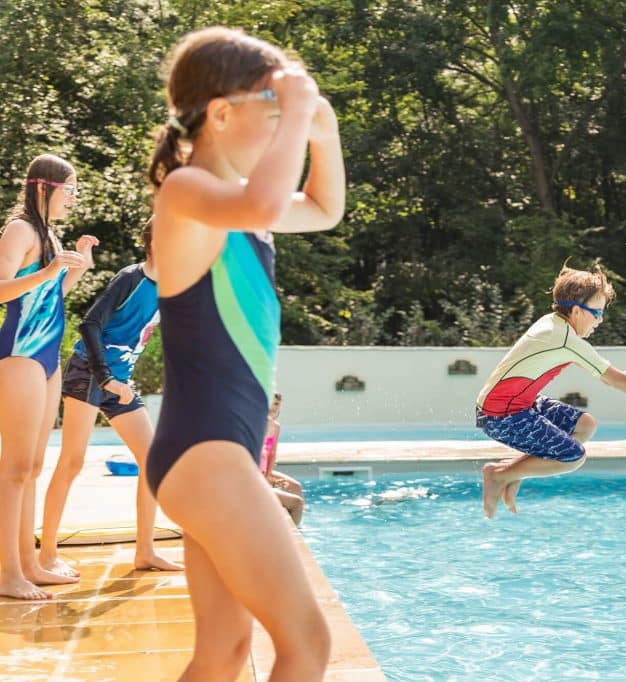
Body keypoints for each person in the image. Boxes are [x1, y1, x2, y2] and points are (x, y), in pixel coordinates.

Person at [146, 27, 345, 680]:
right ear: (222, 112)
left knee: (224, 652)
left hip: (211, 452)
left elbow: (322, 207)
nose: (282, 116)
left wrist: (322, 127)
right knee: (307, 644)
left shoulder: (240, 212)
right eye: (272, 102)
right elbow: (264, 196)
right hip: (208, 452)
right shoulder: (185, 191)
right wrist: (299, 108)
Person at [477, 263, 626, 518]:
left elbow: (610, 378)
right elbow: (617, 380)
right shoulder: (565, 339)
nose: (600, 320)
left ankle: (514, 474)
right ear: (576, 310)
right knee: (572, 456)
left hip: (514, 405)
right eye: (596, 313)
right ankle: (499, 475)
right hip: (501, 415)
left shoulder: (554, 325)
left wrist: (617, 378)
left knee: (584, 425)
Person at [39, 218, 182, 577]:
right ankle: (47, 556)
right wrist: (105, 377)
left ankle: (145, 552)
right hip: (89, 371)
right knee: (72, 462)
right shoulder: (130, 278)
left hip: (118, 379)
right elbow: (90, 324)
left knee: (152, 460)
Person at [0, 153, 98, 600]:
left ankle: (30, 563)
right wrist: (50, 268)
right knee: (15, 468)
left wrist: (72, 269)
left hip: (47, 357)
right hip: (19, 353)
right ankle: (7, 574)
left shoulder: (50, 236)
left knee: (33, 467)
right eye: (70, 190)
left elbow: (47, 295)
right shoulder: (19, 229)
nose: (73, 199)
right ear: (45, 187)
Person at [261, 392, 305, 525]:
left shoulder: (275, 427)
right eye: (271, 403)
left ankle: (298, 525)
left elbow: (272, 453)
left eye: (276, 404)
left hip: (264, 469)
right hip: (257, 471)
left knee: (296, 486)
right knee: (296, 502)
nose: (273, 407)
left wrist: (268, 475)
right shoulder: (258, 424)